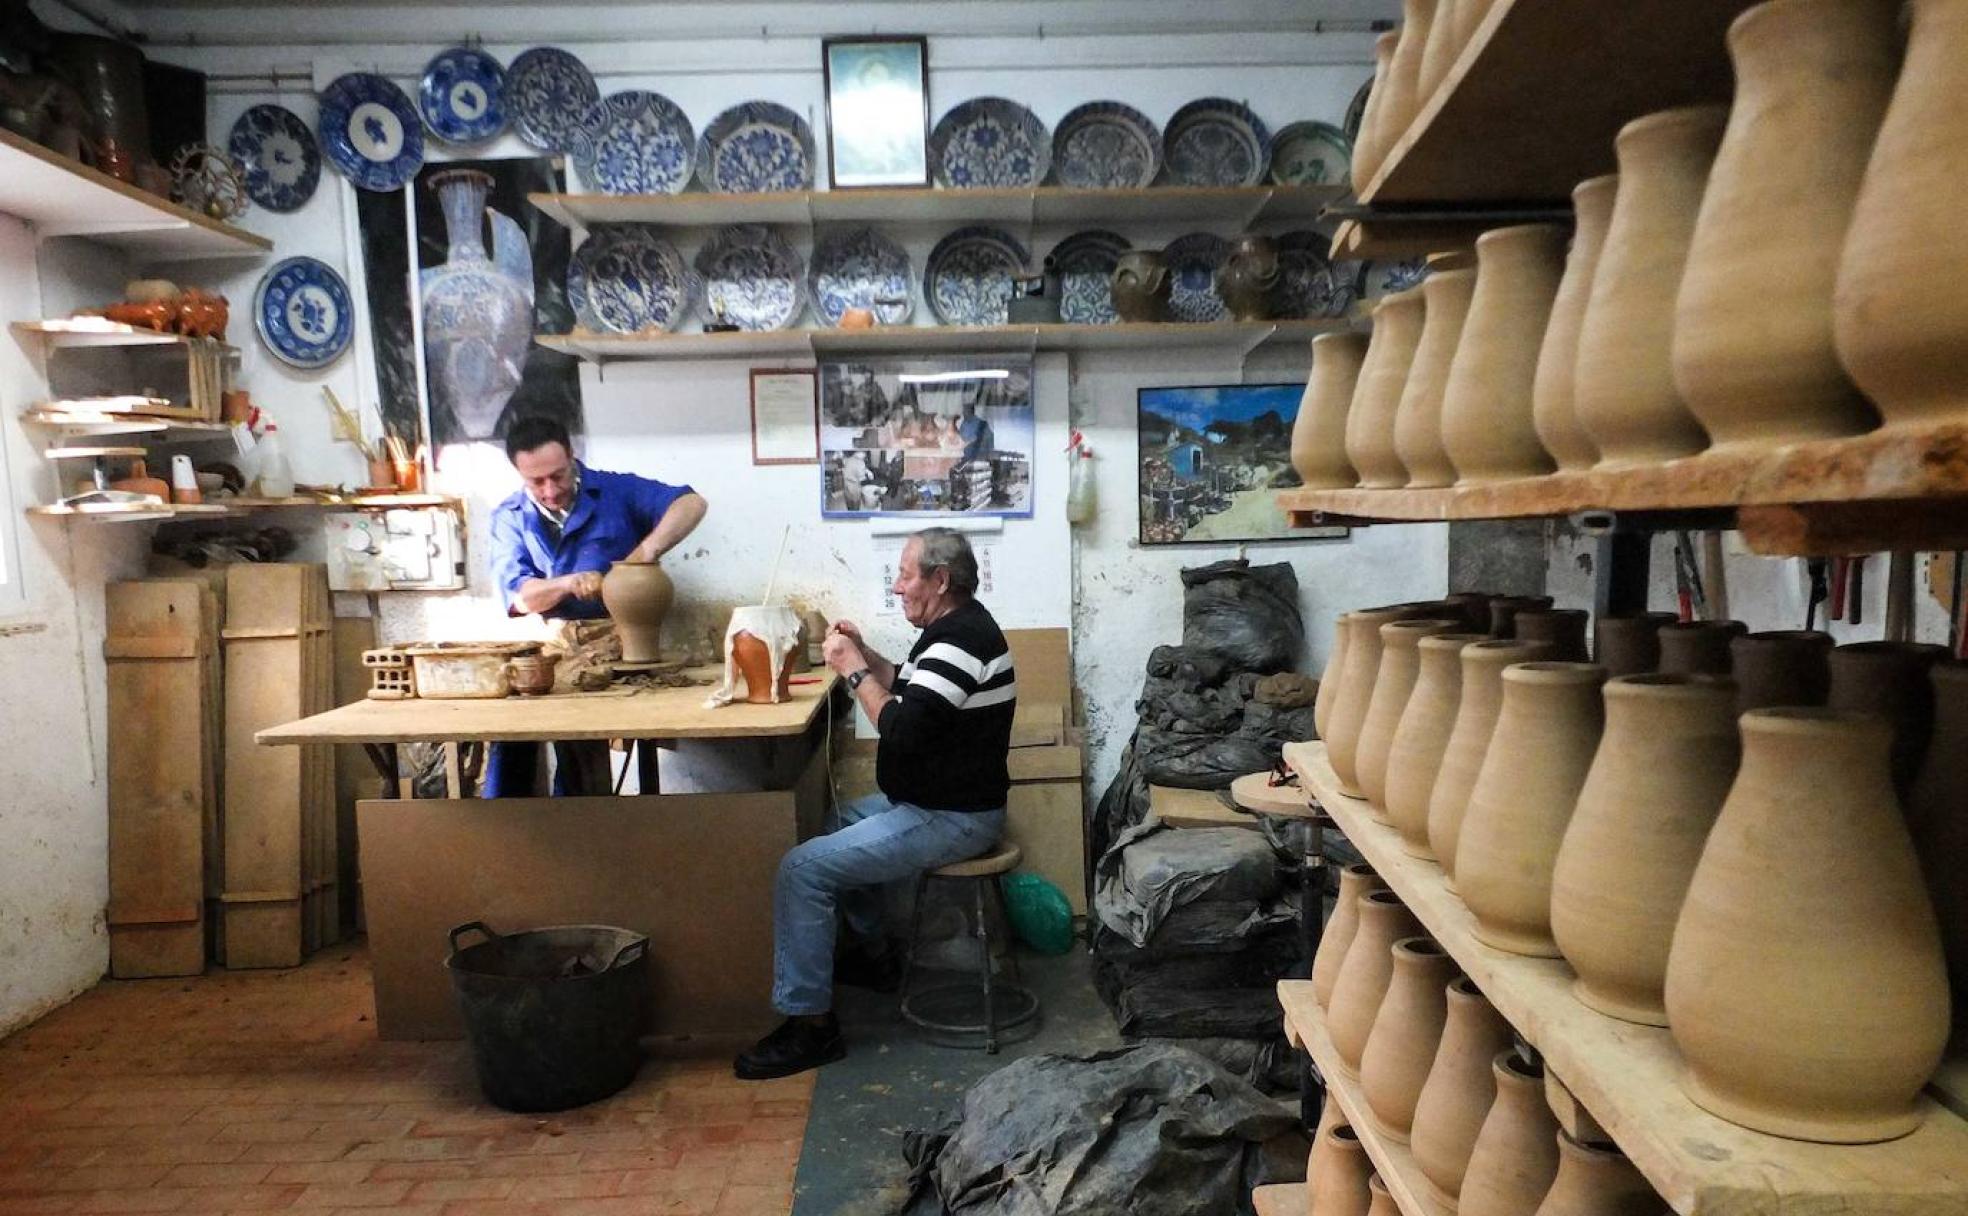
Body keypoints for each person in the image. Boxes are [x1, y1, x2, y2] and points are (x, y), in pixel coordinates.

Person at [734, 527, 1016, 1079]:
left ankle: (811, 1027)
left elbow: (901, 729)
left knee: (800, 871)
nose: (896, 587)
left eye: (905, 575)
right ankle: (873, 954)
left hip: (953, 818)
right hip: (928, 803)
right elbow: (908, 688)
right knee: (834, 820)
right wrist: (864, 655)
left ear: (939, 580)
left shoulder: (960, 641)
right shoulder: (951, 630)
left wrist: (851, 669)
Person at [484, 415, 707, 796]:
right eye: (536, 482)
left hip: (615, 645)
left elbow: (692, 503)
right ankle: (504, 834)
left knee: (582, 739)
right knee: (509, 734)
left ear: (572, 456)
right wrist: (569, 583)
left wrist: (643, 554)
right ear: (519, 474)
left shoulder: (615, 491)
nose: (550, 490)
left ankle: (583, 831)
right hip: (553, 647)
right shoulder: (509, 517)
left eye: (557, 475)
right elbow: (521, 598)